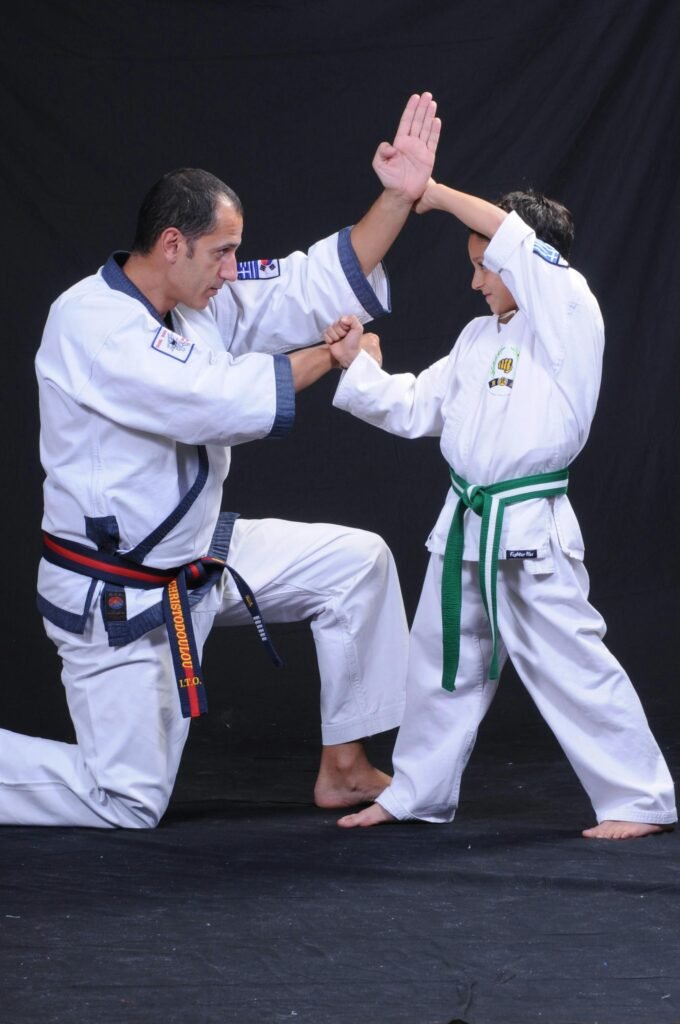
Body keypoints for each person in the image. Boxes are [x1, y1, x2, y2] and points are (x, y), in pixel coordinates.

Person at [0, 93, 441, 829]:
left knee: (357, 564)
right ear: (172, 245)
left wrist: (396, 199)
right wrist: (335, 356)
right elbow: (219, 400)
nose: (233, 270)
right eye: (223, 252)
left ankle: (344, 767)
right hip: (124, 597)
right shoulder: (92, 326)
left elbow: (305, 282)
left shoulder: (200, 299)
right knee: (126, 801)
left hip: (197, 558)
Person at [323, 178, 677, 840]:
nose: (477, 282)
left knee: (570, 663)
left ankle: (640, 797)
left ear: (522, 257)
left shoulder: (569, 311)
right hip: (463, 523)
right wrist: (354, 367)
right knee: (434, 663)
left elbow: (516, 242)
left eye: (484, 265)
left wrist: (429, 191)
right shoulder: (477, 339)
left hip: (528, 529)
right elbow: (416, 406)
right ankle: (416, 793)